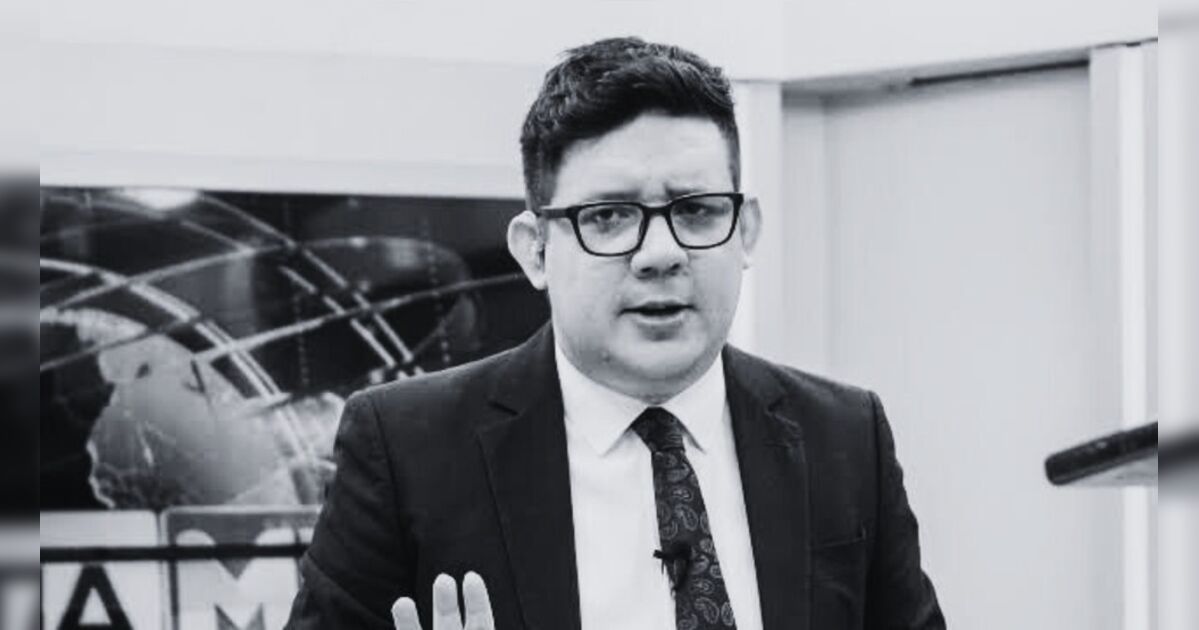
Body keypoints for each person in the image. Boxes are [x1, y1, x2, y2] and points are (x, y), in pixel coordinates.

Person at [285, 37, 944, 630]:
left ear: (744, 231)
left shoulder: (843, 436)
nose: (661, 254)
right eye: (608, 217)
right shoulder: (408, 452)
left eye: (696, 210)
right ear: (535, 249)